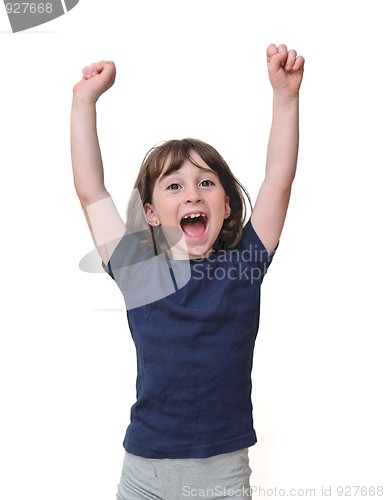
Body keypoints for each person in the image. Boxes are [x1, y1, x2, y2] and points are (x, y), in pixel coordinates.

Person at [71, 43, 305, 500]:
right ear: (153, 213)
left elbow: (278, 179)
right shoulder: (139, 271)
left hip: (223, 476)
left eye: (206, 183)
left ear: (226, 203)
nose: (192, 194)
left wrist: (286, 99)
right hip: (143, 473)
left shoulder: (244, 264)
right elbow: (90, 190)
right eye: (174, 185)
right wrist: (84, 102)